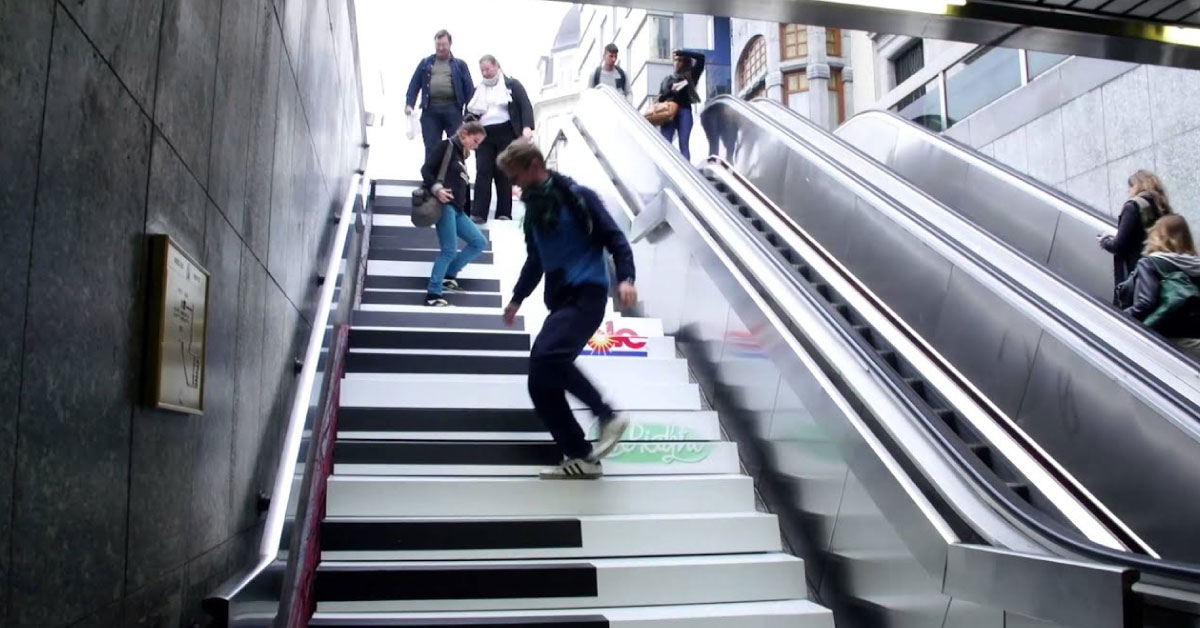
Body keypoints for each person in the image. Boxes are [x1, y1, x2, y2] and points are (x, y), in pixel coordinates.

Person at [497, 141, 636, 479]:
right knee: (539, 381)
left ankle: (606, 415)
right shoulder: (533, 212)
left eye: (516, 176)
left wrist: (626, 279)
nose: (515, 184)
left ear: (533, 166)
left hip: (588, 294)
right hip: (562, 300)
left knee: (547, 358)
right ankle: (581, 456)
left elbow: (615, 238)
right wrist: (517, 298)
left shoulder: (578, 196)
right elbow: (536, 260)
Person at [420, 121, 489, 307]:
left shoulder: (460, 156)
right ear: (464, 134)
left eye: (478, 143)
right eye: (475, 141)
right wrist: (437, 189)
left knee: (479, 241)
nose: (476, 147)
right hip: (445, 206)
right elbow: (426, 170)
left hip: (457, 210)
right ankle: (433, 294)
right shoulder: (447, 146)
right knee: (449, 249)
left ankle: (448, 275)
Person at [466, 54, 535, 224]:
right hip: (484, 134)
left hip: (506, 131)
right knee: (483, 171)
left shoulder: (512, 85)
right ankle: (479, 213)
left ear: (497, 66)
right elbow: (468, 113)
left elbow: (525, 105)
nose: (485, 73)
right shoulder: (478, 90)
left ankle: (504, 212)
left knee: (503, 172)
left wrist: (527, 128)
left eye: (488, 69)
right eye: (482, 70)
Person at [1118, 215, 1200, 358]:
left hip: (1166, 341)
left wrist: (1119, 318)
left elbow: (1145, 303)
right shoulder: (1196, 265)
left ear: (1158, 236)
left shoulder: (1151, 263)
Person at [1099, 169, 1172, 305]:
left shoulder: (1133, 206)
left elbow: (1118, 246)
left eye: (1131, 186)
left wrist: (1105, 241)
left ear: (1139, 185)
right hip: (1159, 268)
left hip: (1136, 273)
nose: (1129, 192)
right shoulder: (1161, 206)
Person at [406, 30, 475, 159]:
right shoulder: (425, 63)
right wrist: (409, 104)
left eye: (443, 44)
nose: (441, 48)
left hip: (453, 110)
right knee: (431, 146)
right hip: (430, 110)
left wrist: (468, 116)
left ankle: (454, 177)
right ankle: (431, 177)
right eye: (438, 45)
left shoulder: (460, 65)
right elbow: (414, 85)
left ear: (450, 44)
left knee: (456, 145)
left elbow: (469, 91)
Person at [655, 49, 706, 161]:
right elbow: (661, 98)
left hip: (684, 111)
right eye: (676, 60)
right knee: (666, 143)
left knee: (684, 144)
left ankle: (686, 171)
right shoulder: (667, 79)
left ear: (686, 62)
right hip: (668, 112)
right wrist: (671, 91)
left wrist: (684, 52)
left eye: (681, 60)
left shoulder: (691, 75)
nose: (677, 63)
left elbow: (701, 58)